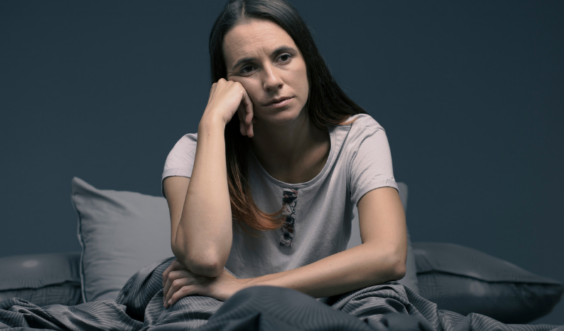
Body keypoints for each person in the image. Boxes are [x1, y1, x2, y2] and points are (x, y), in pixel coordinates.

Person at [160, 0, 407, 308]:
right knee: (183, 295)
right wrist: (212, 122)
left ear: (309, 60)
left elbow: (390, 255)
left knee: (383, 298)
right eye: (248, 68)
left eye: (284, 57)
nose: (273, 81)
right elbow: (205, 258)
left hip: (313, 308)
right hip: (220, 312)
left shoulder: (359, 137)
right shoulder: (191, 153)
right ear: (225, 84)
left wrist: (244, 287)